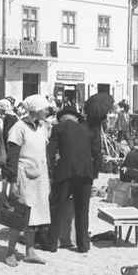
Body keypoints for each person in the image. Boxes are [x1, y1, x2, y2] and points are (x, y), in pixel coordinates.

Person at [1, 95, 51, 267]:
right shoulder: (19, 127)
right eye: (45, 109)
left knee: (35, 216)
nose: (47, 111)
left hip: (39, 177)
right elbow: (12, 157)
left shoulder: (41, 127)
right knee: (20, 215)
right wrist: (12, 182)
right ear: (36, 110)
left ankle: (30, 251)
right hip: (24, 177)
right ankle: (10, 252)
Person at [47, 105, 102, 253]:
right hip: (86, 174)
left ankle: (51, 244)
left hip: (65, 172)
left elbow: (50, 153)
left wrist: (51, 172)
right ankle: (83, 245)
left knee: (57, 208)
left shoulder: (58, 129)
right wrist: (94, 173)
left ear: (61, 118)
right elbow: (97, 154)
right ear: (76, 117)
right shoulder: (87, 131)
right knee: (82, 211)